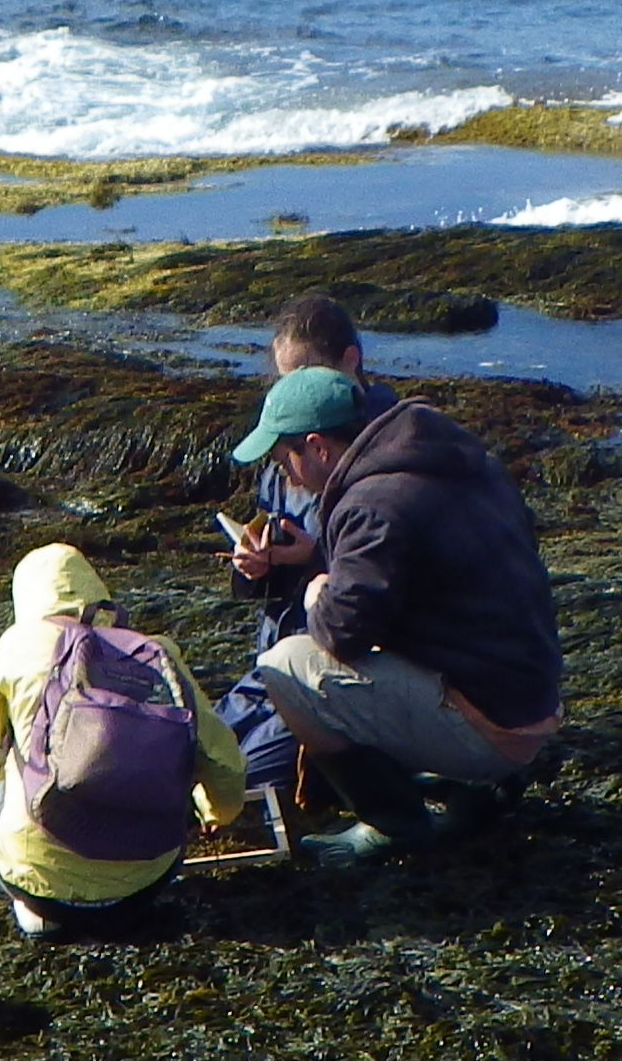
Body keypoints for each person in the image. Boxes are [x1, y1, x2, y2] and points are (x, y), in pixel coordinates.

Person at [237, 366, 565, 863]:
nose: (289, 477)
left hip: (490, 727)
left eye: (287, 462)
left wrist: (314, 589)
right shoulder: (463, 463)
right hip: (528, 697)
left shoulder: (371, 503)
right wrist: (312, 560)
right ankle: (471, 785)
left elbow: (339, 633)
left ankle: (392, 823)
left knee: (286, 667)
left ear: (318, 447)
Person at [0, 542, 250, 941]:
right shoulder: (156, 653)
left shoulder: (19, 644)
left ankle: (40, 919)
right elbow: (225, 761)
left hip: (37, 886)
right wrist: (215, 814)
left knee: (20, 748)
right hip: (143, 885)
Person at [215, 294, 397, 794]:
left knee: (241, 778)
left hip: (334, 669)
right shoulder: (288, 445)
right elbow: (272, 550)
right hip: (274, 660)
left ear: (350, 362)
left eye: (304, 374)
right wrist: (256, 565)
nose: (294, 390)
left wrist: (315, 557)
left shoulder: (386, 452)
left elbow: (384, 586)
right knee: (195, 749)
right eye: (284, 378)